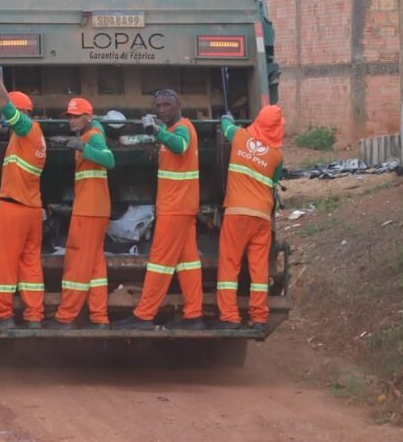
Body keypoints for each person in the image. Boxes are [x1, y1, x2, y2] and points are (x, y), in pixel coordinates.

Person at [113, 89, 204, 330]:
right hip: (182, 207)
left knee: (160, 262)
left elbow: (180, 146)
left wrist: (157, 131)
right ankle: (194, 315)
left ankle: (144, 315)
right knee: (187, 262)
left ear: (179, 105)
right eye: (158, 105)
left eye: (167, 104)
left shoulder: (182, 128)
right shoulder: (174, 129)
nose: (162, 109)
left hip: (175, 208)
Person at [0, 58, 46, 331]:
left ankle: (4, 315)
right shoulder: (35, 139)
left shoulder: (27, 130)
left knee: (5, 264)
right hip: (31, 210)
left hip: (14, 209)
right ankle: (34, 316)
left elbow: (6, 107)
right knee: (30, 266)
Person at [45, 98, 115, 330]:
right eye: (70, 117)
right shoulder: (93, 132)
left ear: (88, 117)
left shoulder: (92, 136)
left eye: (76, 116)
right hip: (95, 210)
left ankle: (65, 318)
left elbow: (109, 160)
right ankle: (99, 317)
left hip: (89, 211)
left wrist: (82, 147)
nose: (72, 121)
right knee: (95, 266)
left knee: (77, 263)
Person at [215, 105, 285, 334]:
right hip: (261, 217)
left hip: (236, 213)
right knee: (258, 269)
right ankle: (258, 318)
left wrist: (227, 117)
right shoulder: (277, 156)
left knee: (230, 263)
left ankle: (230, 316)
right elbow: (273, 183)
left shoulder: (240, 136)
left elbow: (225, 127)